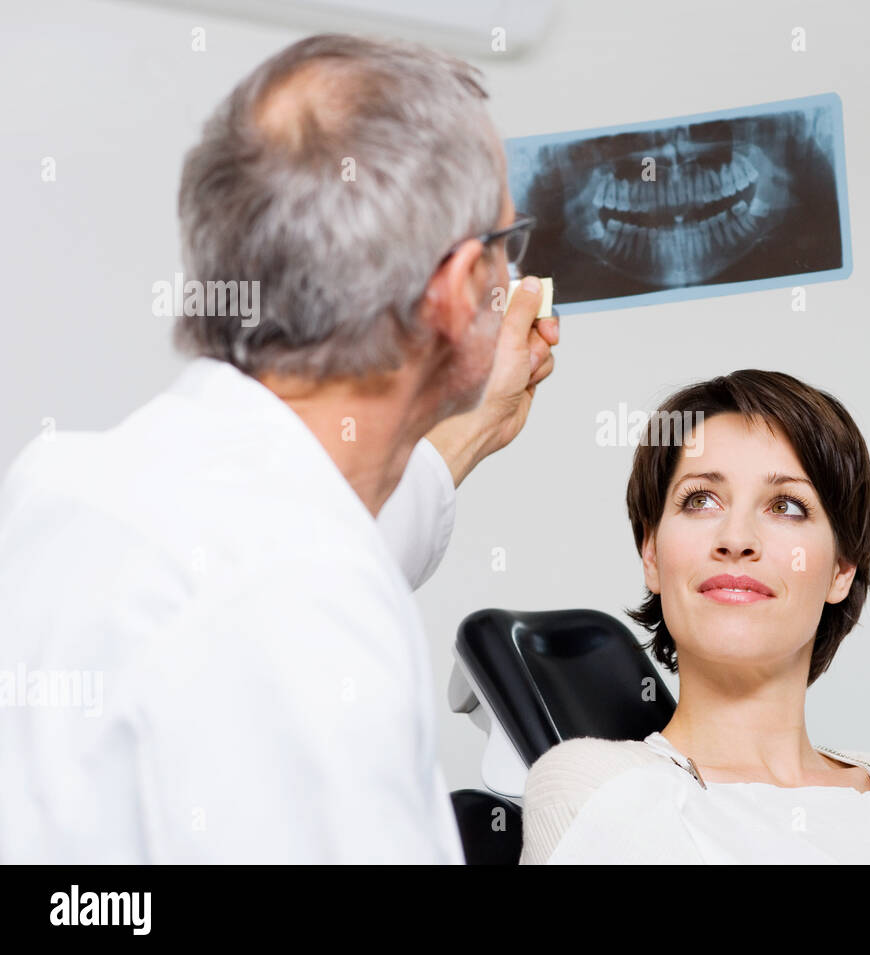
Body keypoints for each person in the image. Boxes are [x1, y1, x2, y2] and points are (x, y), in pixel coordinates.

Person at [0, 34, 559, 863]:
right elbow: (286, 573)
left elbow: (296, 525)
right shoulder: (302, 602)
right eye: (503, 243)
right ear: (452, 292)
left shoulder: (69, 485)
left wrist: (476, 423)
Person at [519, 370, 870, 864]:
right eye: (701, 500)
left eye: (786, 506)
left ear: (841, 570)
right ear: (651, 553)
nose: (736, 538)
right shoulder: (596, 787)